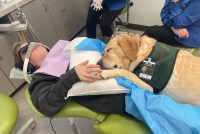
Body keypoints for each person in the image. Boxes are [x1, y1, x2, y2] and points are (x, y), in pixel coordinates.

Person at [13, 41, 128, 117]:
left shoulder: (66, 50)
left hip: (121, 69)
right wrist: (72, 75)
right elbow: (45, 104)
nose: (33, 45)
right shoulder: (41, 77)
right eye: (25, 49)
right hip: (117, 97)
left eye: (30, 42)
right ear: (29, 66)